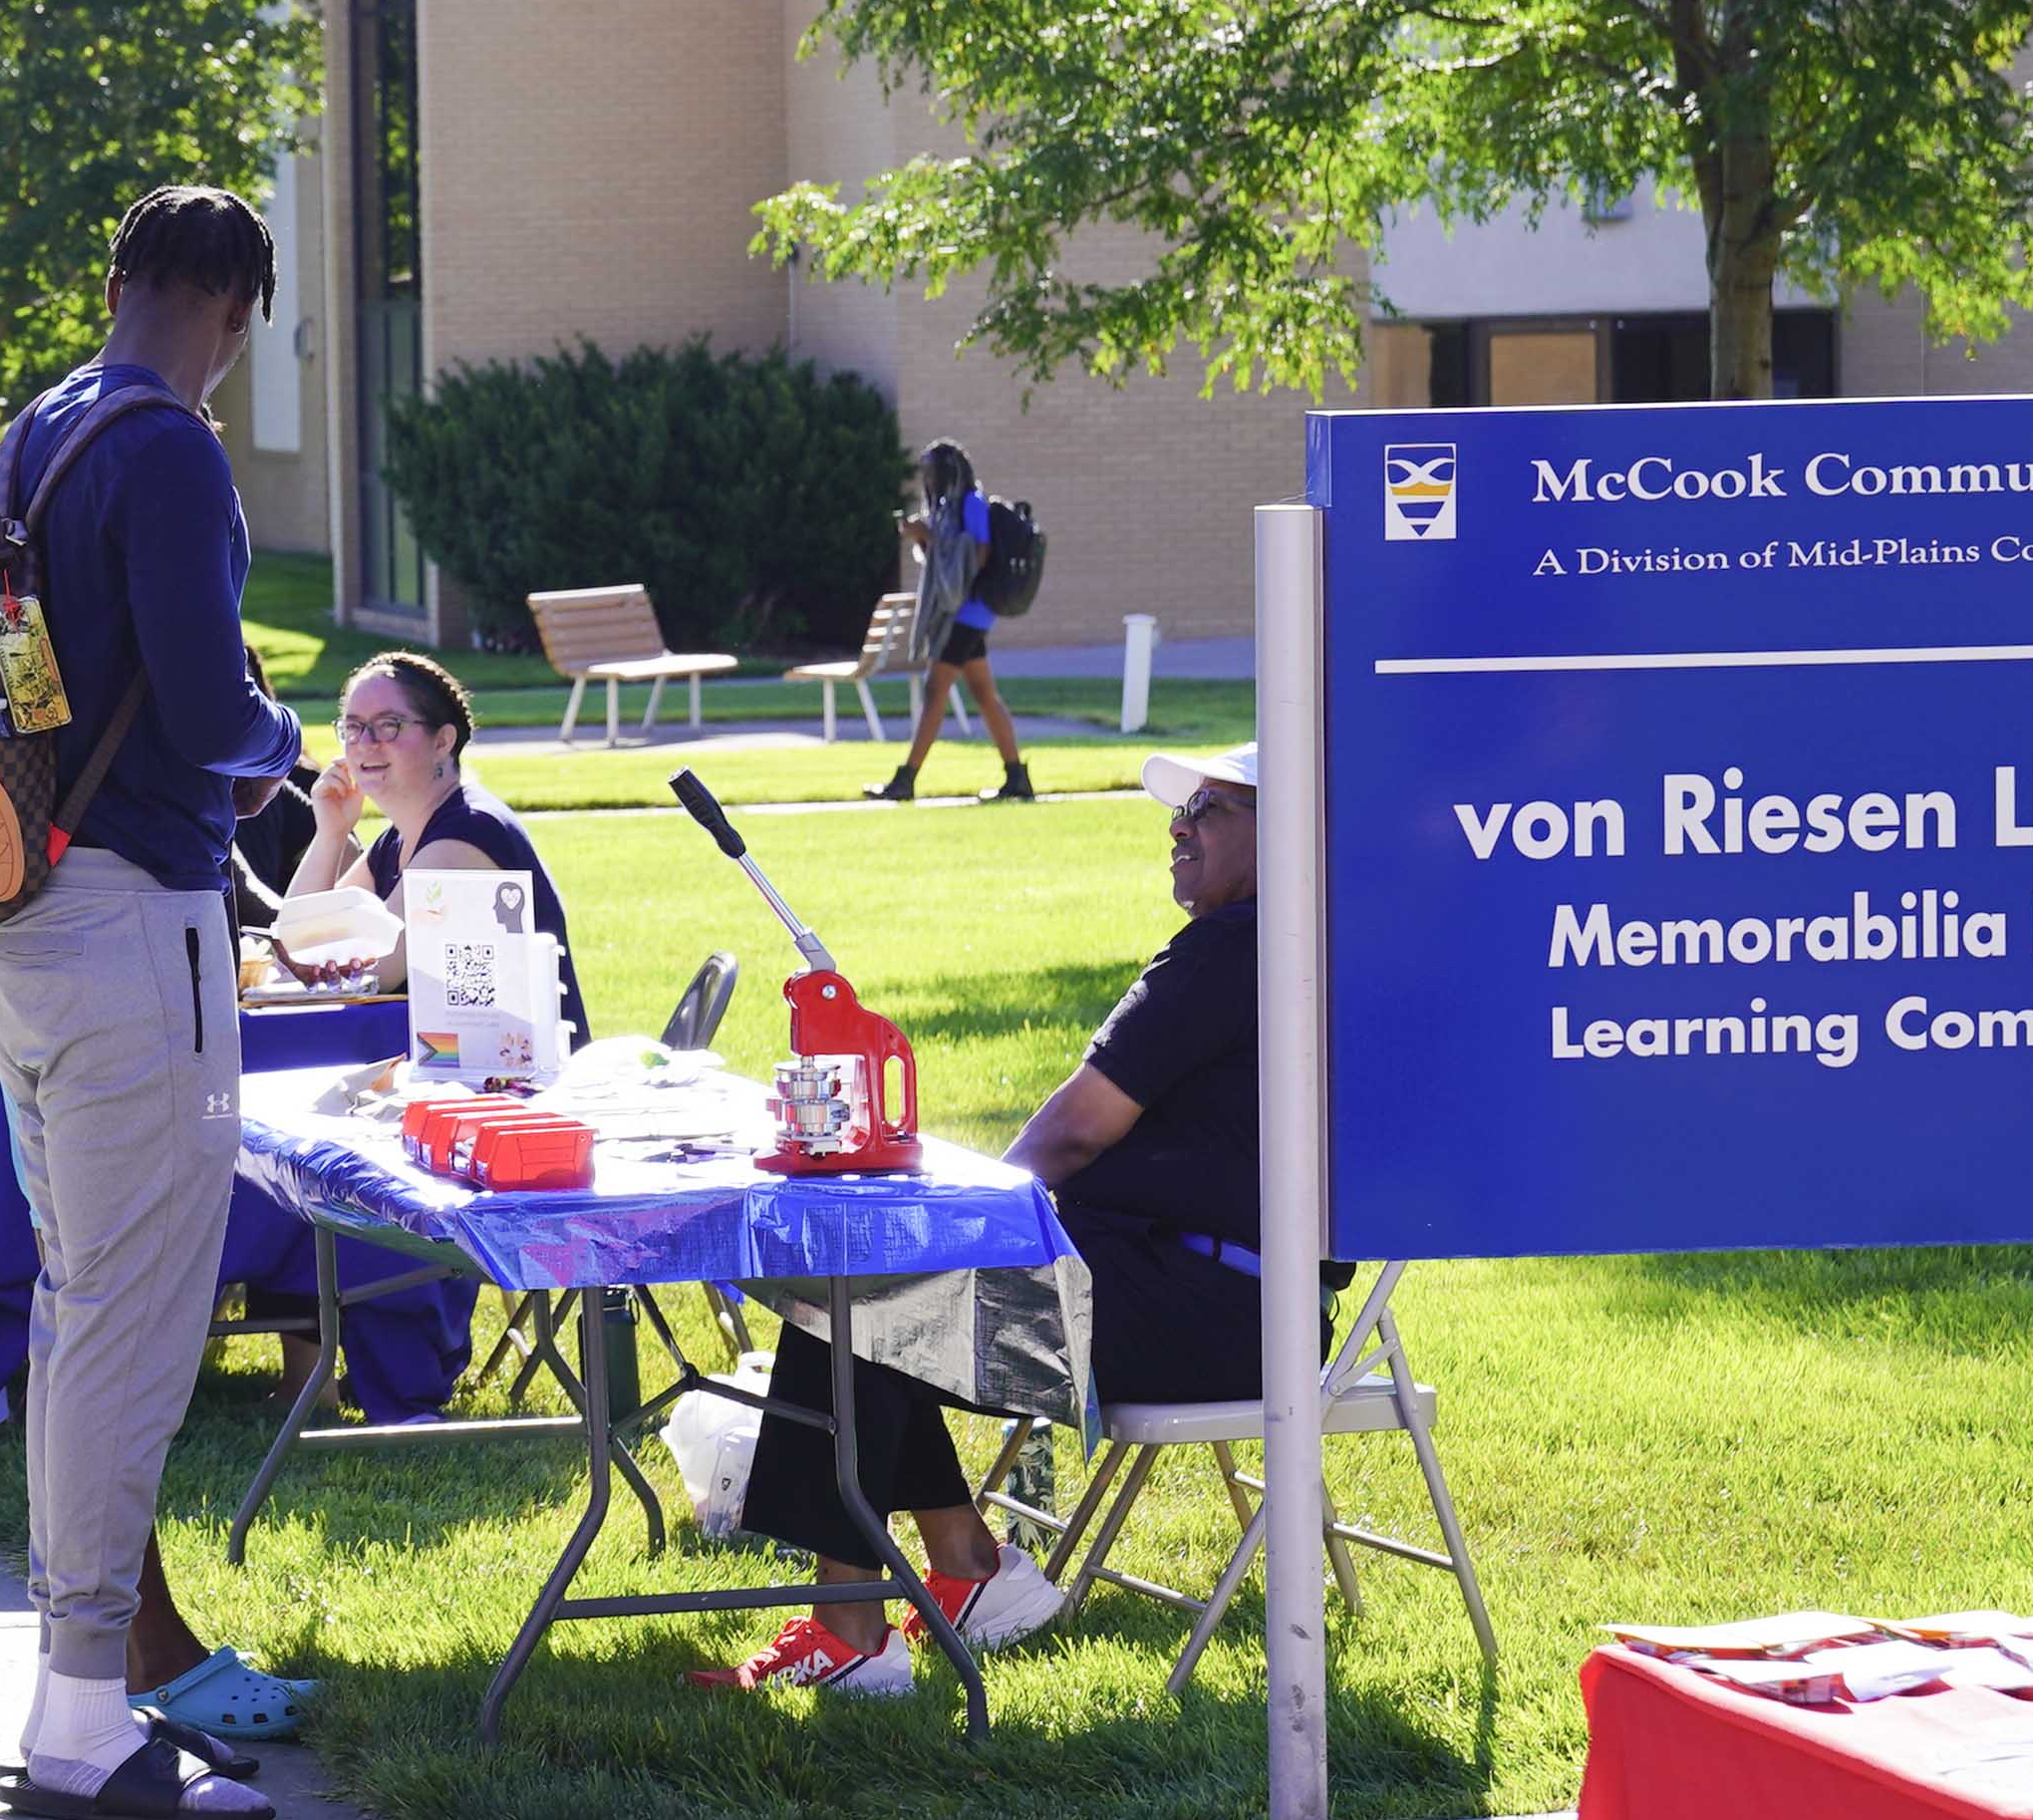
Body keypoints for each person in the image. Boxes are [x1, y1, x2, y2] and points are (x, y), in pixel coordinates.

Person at [0, 188, 305, 1820]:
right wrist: (280, 737)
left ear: (115, 284)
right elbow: (207, 689)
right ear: (239, 312)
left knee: (76, 1299)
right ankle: (88, 1713)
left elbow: (48, 677)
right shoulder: (168, 446)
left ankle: (73, 1687)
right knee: (129, 1316)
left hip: (20, 903)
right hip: (129, 920)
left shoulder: (44, 423)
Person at [712, 741, 1292, 1694]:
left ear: (1292, 834)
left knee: (862, 1292)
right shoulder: (1316, 950)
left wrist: (953, 1226)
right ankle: (968, 1569)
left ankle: (853, 1628)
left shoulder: (1230, 951)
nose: (1180, 829)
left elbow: (1075, 1129)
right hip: (1237, 1301)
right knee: (874, 1295)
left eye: (1212, 811)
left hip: (1198, 1313)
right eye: (1178, 814)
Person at [292, 653, 591, 1036]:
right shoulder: (397, 841)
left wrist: (317, 958)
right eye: (352, 727)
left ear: (443, 741)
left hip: (521, 1082)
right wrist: (330, 833)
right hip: (461, 1075)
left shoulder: (465, 837)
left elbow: (374, 975)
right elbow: (299, 945)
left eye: (388, 726)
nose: (365, 743)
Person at [866, 440, 1035, 804]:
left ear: (948, 471)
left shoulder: (972, 503)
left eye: (931, 470)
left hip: (968, 612)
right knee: (983, 693)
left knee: (934, 690)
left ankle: (906, 779)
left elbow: (979, 553)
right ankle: (1017, 778)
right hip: (958, 612)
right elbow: (943, 560)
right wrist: (922, 539)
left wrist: (932, 537)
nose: (926, 477)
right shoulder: (946, 507)